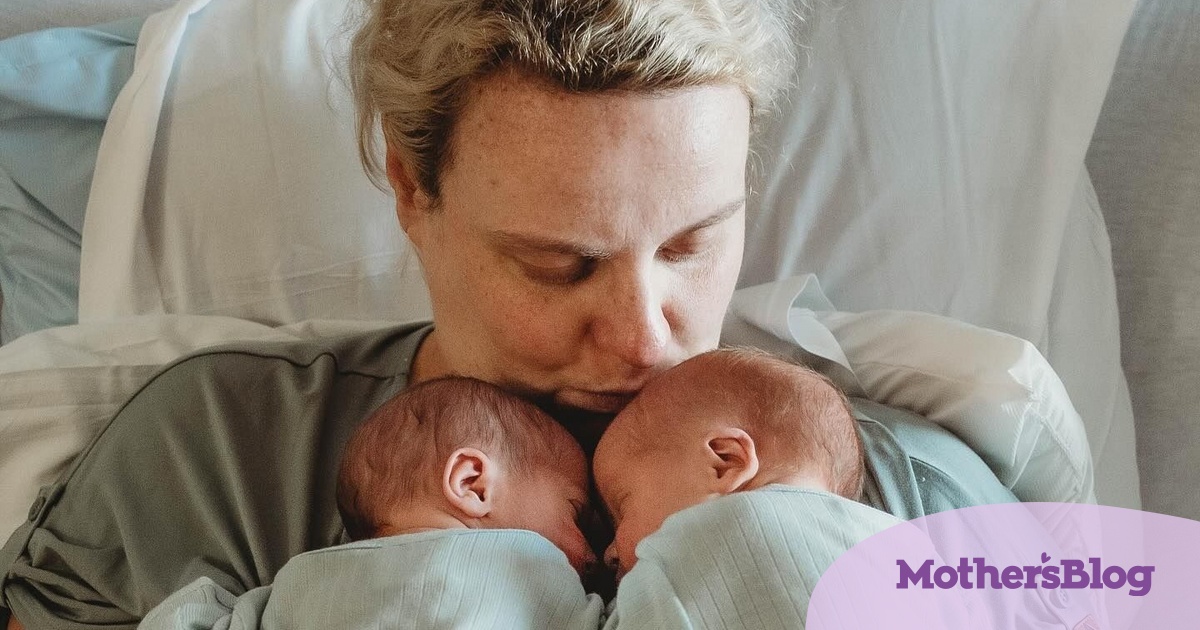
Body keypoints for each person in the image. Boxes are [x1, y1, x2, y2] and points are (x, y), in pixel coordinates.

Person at [0, 1, 1014, 628]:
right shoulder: (218, 459)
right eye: (560, 265)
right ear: (412, 189)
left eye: (689, 245)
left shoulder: (905, 495)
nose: (645, 337)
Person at [593, 347, 1019, 628]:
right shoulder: (907, 546)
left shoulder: (703, 542)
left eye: (622, 506)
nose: (609, 551)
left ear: (725, 462)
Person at [136, 377, 603, 629]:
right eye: (577, 514)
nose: (594, 553)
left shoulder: (296, 583)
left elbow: (183, 617)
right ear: (473, 484)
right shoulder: (529, 574)